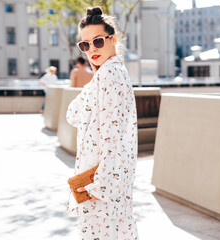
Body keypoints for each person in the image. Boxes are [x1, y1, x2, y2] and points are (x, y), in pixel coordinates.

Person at [66, 6, 138, 240]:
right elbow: (73, 114)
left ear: (113, 39)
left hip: (100, 182)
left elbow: (112, 135)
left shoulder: (110, 76)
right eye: (85, 45)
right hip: (106, 180)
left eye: (97, 41)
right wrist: (95, 76)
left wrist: (102, 185)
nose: (91, 49)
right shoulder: (110, 73)